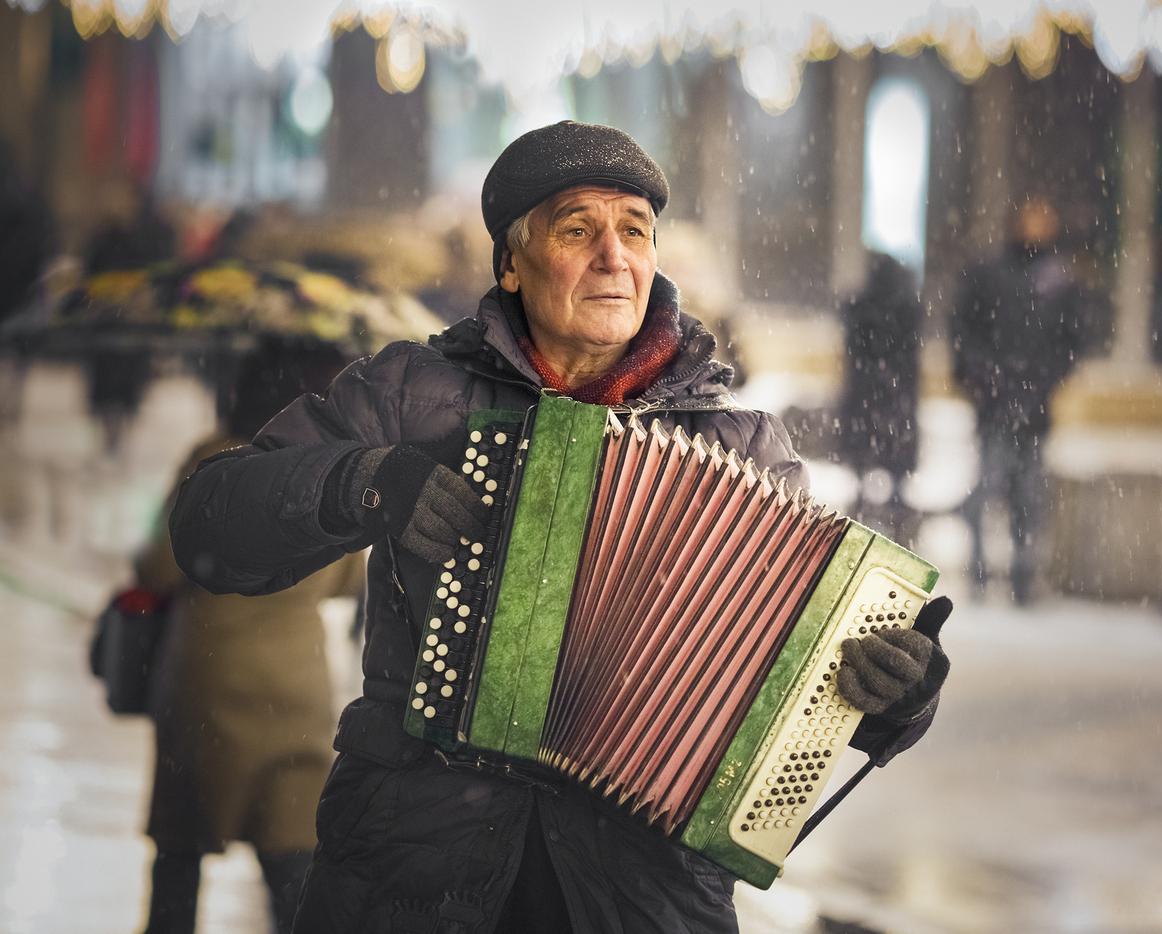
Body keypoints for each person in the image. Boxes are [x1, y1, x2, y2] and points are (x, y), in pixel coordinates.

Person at [167, 121, 953, 933]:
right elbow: (206, 528)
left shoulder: (743, 446)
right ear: (510, 262)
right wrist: (364, 481)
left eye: (635, 232)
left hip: (641, 898)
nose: (614, 256)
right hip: (413, 872)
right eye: (578, 229)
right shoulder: (411, 392)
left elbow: (795, 688)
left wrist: (897, 699)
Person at [134, 337, 365, 934]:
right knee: (292, 864)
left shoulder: (215, 459)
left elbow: (162, 566)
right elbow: (344, 582)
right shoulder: (332, 469)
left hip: (208, 683)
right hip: (296, 689)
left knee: (181, 855)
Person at [951, 197, 1081, 603]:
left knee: (1028, 495)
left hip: (1034, 408)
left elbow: (1072, 343)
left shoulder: (1059, 280)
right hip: (995, 405)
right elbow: (963, 331)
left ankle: (1023, 577)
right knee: (988, 489)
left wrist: (1044, 381)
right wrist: (981, 377)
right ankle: (978, 572)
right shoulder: (990, 275)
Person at [839, 251, 923, 548]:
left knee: (864, 490)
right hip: (895, 405)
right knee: (895, 491)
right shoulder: (907, 311)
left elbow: (854, 352)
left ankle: (855, 545)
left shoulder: (860, 307)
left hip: (866, 403)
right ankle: (900, 547)